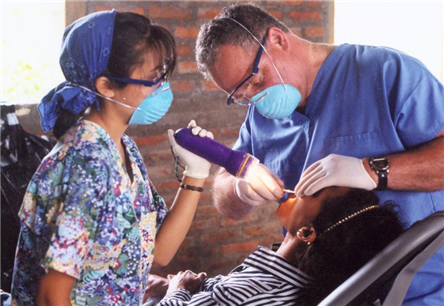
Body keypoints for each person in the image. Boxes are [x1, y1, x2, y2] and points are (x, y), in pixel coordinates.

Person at [195, 3, 444, 305]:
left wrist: (374, 170)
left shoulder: (386, 74)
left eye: (257, 80)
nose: (257, 98)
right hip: (320, 290)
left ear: (278, 39)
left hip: (418, 287)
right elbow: (226, 195)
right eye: (242, 96)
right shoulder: (262, 117)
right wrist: (241, 188)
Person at [11, 10, 213, 305]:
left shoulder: (123, 148)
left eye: (162, 75)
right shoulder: (86, 165)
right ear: (105, 85)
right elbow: (50, 295)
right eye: (152, 78)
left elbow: (158, 250)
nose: (161, 87)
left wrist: (195, 173)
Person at [145, 187, 404, 306]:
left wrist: (177, 289)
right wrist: (176, 287)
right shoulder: (274, 283)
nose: (300, 189)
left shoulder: (254, 289)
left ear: (306, 232)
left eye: (313, 193)